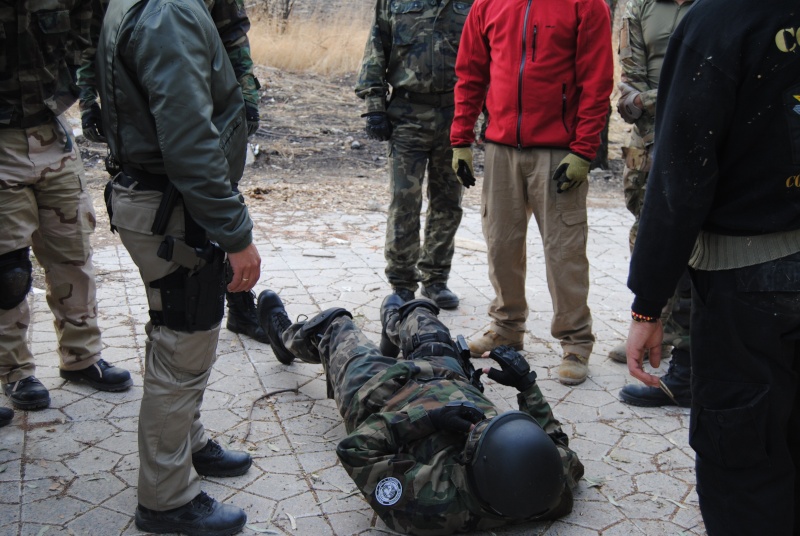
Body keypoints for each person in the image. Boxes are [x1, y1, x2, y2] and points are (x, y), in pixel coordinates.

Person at [625, 0, 800, 533]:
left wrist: (648, 303)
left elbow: (681, 176)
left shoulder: (719, 21)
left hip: (751, 286)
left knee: (744, 461)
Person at [95, 0, 261, 532]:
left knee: (174, 334)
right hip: (172, 209)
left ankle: (186, 444)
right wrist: (237, 234)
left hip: (157, 199)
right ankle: (166, 500)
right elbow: (189, 143)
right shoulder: (167, 12)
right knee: (182, 343)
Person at [258, 290, 584, 535]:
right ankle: (394, 324)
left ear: (469, 465)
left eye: (478, 435)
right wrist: (527, 386)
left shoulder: (431, 503)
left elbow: (356, 449)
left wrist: (426, 418)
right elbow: (558, 444)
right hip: (446, 374)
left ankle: (283, 337)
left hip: (380, 393)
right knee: (419, 309)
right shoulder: (551, 487)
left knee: (335, 323)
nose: (482, 424)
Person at [76, 0, 269, 345]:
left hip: (207, 98)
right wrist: (89, 99)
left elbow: (232, 33)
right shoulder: (165, 12)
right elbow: (93, 35)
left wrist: (246, 99)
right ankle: (205, 297)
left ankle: (236, 299)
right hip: (164, 120)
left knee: (217, 193)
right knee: (181, 328)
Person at [450, 0, 613, 385]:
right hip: (501, 146)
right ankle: (506, 326)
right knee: (500, 243)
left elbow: (597, 80)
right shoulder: (487, 4)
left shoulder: (586, 5)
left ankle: (575, 342)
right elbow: (470, 72)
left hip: (559, 151)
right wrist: (461, 138)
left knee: (564, 249)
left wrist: (583, 150)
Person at [0, 0, 133, 412]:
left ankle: (81, 358)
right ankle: (14, 371)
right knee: (8, 269)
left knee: (72, 250)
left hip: (51, 132)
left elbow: (91, 37)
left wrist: (81, 96)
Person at [355, 0, 470, 309]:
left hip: (455, 115)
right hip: (407, 115)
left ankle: (435, 279)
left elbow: (487, 58)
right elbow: (376, 49)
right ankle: (402, 281)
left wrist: (488, 112)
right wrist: (374, 107)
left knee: (448, 202)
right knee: (405, 202)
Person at [612, 0, 695, 408]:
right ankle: (651, 333)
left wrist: (658, 97)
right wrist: (687, 97)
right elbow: (629, 93)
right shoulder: (639, 6)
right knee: (648, 239)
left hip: (707, 140)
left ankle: (688, 359)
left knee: (699, 247)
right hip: (651, 142)